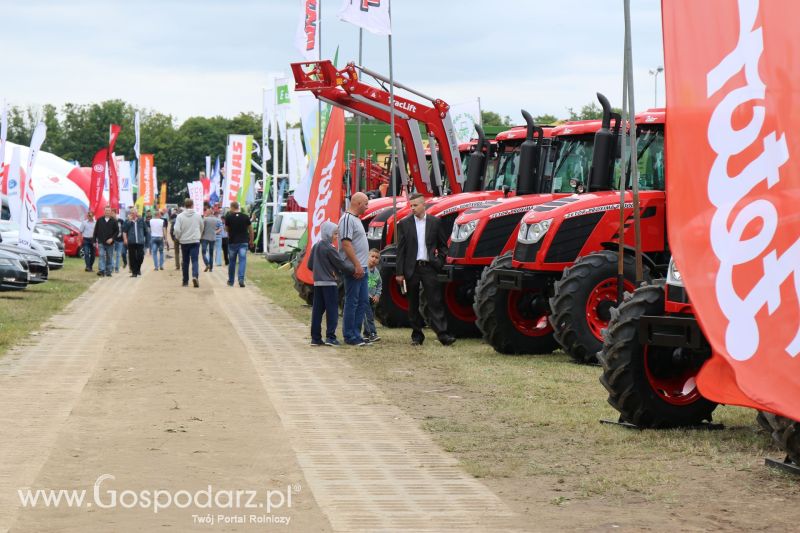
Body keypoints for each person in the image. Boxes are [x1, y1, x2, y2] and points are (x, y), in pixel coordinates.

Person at [395, 192, 456, 346]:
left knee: (435, 301)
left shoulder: (435, 222)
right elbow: (400, 250)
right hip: (411, 268)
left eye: (415, 205)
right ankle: (417, 335)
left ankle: (443, 335)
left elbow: (443, 245)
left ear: (424, 205)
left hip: (429, 267)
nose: (412, 208)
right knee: (412, 303)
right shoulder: (404, 223)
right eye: (411, 206)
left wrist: (440, 261)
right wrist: (399, 272)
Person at [308, 221, 352, 347]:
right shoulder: (329, 248)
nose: (336, 237)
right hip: (329, 284)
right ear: (328, 234)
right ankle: (330, 337)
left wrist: (319, 271)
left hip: (318, 283)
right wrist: (354, 269)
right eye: (335, 234)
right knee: (332, 310)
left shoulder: (316, 246)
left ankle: (315, 338)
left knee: (317, 310)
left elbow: (310, 265)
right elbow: (341, 264)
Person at [338, 191, 371, 346]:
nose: (367, 206)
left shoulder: (356, 219)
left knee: (363, 301)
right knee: (353, 301)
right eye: (366, 203)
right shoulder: (347, 219)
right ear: (358, 203)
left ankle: (356, 334)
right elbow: (346, 244)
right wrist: (357, 265)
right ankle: (350, 335)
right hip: (354, 268)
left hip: (362, 268)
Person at [173, 198, 204, 287]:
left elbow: (177, 229)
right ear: (192, 205)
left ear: (184, 205)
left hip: (184, 241)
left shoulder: (180, 216)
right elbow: (202, 227)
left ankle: (185, 281)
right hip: (195, 240)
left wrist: (178, 237)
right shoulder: (198, 216)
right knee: (194, 260)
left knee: (185, 261)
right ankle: (195, 276)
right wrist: (199, 236)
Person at [224, 201, 253, 287]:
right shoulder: (245, 217)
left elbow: (226, 229)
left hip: (232, 242)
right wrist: (251, 240)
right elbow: (250, 230)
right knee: (242, 261)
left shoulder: (228, 217)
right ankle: (241, 279)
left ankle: (231, 281)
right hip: (243, 242)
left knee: (232, 262)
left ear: (232, 207)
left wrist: (231, 231)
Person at [362, 248, 382, 343]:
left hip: (373, 300)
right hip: (365, 298)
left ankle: (366, 335)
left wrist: (377, 295)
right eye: (372, 256)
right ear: (368, 257)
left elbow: (379, 285)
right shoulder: (364, 269)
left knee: (370, 316)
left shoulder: (377, 273)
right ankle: (373, 333)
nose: (374, 259)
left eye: (377, 257)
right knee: (368, 316)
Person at [122, 208, 148, 277]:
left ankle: (138, 268)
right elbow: (124, 230)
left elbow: (146, 231)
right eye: (131, 213)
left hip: (140, 242)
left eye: (134, 213)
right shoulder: (127, 221)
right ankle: (134, 272)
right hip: (131, 242)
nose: (133, 214)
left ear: (136, 213)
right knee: (132, 257)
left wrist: (145, 238)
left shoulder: (141, 220)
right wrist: (125, 239)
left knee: (140, 256)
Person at [93, 206, 118, 277]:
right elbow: (96, 231)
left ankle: (108, 271)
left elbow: (117, 231)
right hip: (101, 242)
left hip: (110, 243)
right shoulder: (99, 220)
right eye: (106, 210)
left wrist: (112, 239)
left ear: (110, 212)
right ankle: (102, 270)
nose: (107, 212)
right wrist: (94, 241)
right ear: (104, 211)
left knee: (109, 256)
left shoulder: (114, 221)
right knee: (101, 255)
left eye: (108, 210)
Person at [201, 207, 221, 272]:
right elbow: (219, 228)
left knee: (203, 252)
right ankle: (211, 268)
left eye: (206, 212)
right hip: (213, 237)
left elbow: (202, 229)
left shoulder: (205, 219)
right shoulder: (216, 219)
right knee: (211, 253)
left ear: (208, 212)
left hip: (205, 237)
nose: (205, 213)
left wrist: (201, 235)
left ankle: (207, 264)